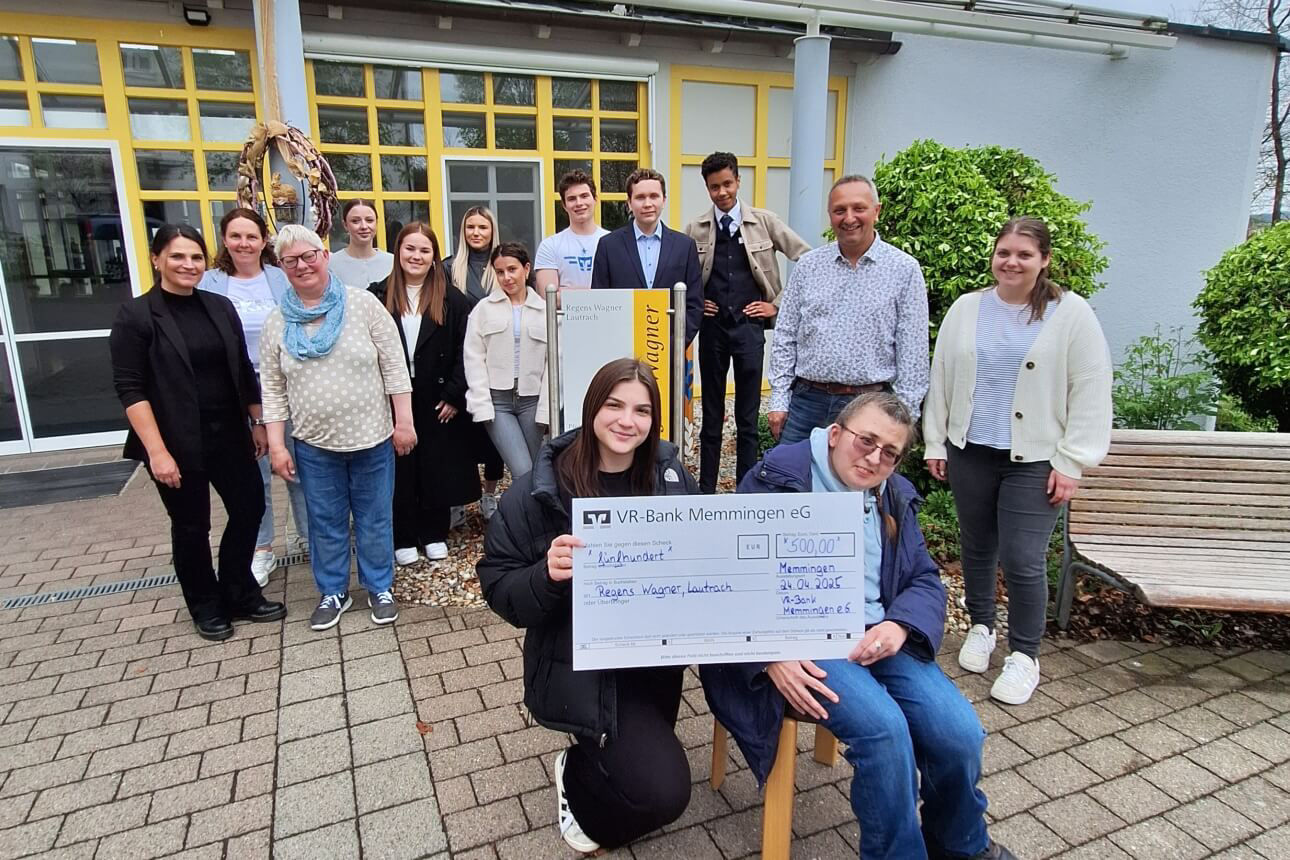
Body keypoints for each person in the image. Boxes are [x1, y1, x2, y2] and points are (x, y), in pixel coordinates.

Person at [702, 392, 1017, 860]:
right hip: (802, 639)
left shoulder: (890, 493)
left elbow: (924, 578)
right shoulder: (777, 481)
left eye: (889, 452)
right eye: (865, 441)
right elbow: (726, 581)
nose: (873, 458)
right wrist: (771, 655)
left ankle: (962, 847)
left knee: (959, 733)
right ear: (835, 435)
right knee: (885, 732)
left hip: (879, 634)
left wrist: (900, 626)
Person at [477, 358, 698, 854]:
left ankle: (605, 762)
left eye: (642, 410)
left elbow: (698, 555)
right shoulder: (541, 491)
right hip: (580, 665)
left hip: (651, 662)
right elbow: (497, 582)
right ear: (591, 407)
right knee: (664, 794)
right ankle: (575, 776)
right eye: (614, 405)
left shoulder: (668, 475)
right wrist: (545, 575)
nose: (627, 421)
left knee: (649, 772)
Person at [924, 217, 1112, 705]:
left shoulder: (1071, 314)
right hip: (971, 451)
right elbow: (941, 377)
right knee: (977, 545)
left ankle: (1025, 655)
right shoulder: (967, 309)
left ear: (1044, 260)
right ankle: (982, 625)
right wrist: (936, 442)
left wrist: (1073, 462)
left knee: (1024, 558)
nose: (1011, 262)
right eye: (1004, 252)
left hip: (1035, 459)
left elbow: (1091, 388)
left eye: (1024, 254)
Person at [110, 225, 286, 641]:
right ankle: (205, 604)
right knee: (191, 525)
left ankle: (239, 590)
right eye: (177, 257)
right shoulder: (136, 316)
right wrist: (157, 452)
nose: (188, 265)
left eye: (194, 257)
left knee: (249, 508)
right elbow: (130, 388)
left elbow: (243, 370)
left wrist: (257, 422)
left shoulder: (219, 306)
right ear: (156, 259)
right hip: (174, 440)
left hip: (228, 432)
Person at [260, 224, 415, 631]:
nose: (302, 266)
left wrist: (405, 423)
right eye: (290, 261)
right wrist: (277, 446)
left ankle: (379, 586)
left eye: (309, 255)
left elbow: (395, 367)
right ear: (282, 267)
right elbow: (273, 389)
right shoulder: (277, 322)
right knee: (324, 521)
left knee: (375, 517)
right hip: (313, 444)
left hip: (373, 438)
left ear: (325, 256)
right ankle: (333, 591)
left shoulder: (362, 304)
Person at [767, 175, 930, 445]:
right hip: (806, 403)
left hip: (870, 405)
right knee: (792, 481)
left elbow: (913, 352)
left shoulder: (903, 270)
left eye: (859, 208)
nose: (849, 218)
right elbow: (785, 336)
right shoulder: (808, 267)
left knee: (859, 484)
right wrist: (779, 399)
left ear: (876, 211)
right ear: (830, 215)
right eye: (839, 210)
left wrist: (903, 417)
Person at [684, 152, 812, 493]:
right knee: (711, 416)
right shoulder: (695, 228)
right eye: (714, 187)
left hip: (749, 331)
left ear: (738, 181)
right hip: (711, 332)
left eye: (727, 184)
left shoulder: (765, 221)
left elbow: (809, 258)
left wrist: (776, 306)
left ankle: (746, 492)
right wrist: (697, 302)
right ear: (707, 189)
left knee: (747, 417)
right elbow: (682, 276)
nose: (722, 192)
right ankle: (705, 491)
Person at [199, 207, 308, 585]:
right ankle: (261, 549)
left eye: (252, 236)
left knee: (299, 468)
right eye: (236, 236)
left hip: (286, 388)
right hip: (235, 394)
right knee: (254, 475)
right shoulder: (208, 283)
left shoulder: (281, 279)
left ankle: (310, 538)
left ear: (264, 241)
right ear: (225, 240)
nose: (244, 243)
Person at [370, 223, 480, 565]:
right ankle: (403, 535)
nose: (416, 256)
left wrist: (454, 394)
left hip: (439, 396)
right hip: (395, 395)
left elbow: (469, 350)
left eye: (424, 250)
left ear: (434, 257)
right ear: (398, 252)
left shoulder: (452, 299)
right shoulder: (376, 296)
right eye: (409, 249)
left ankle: (434, 532)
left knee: (436, 464)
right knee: (400, 467)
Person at [464, 242, 549, 478]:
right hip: (498, 402)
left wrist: (546, 407)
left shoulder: (545, 310)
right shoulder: (484, 309)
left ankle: (528, 515)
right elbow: (473, 358)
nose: (506, 277)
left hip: (532, 402)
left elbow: (554, 363)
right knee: (523, 471)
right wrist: (481, 403)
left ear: (526, 268)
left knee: (535, 471)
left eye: (512, 269)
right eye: (500, 272)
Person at [589, 168, 703, 346]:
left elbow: (694, 304)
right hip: (622, 350)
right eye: (640, 197)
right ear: (629, 202)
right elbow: (599, 301)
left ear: (664, 200)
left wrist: (675, 343)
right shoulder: (608, 246)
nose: (647, 203)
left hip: (669, 349)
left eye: (654, 196)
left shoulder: (685, 246)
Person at [451, 205, 504, 519]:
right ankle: (459, 497)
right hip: (461, 362)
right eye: (470, 227)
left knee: (494, 436)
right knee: (461, 438)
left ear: (492, 231)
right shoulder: (449, 268)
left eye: (482, 227)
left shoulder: (503, 266)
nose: (476, 233)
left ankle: (489, 495)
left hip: (496, 360)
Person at [535, 169, 610, 293]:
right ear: (564, 205)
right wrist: (596, 292)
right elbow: (549, 298)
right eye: (572, 199)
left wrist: (566, 291)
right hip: (565, 313)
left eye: (584, 196)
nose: (579, 203)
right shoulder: (549, 246)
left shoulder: (613, 243)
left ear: (595, 199)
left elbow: (619, 294)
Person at [328, 199, 394, 287]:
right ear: (345, 225)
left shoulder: (392, 262)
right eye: (355, 221)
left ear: (376, 223)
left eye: (369, 220)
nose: (364, 226)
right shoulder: (331, 265)